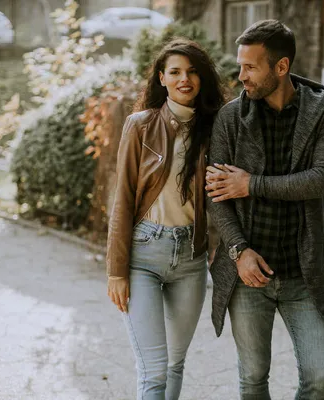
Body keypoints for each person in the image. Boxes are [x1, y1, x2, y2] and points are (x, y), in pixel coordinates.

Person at [205, 20, 324, 399]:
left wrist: (251, 184)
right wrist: (239, 252)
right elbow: (215, 196)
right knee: (252, 379)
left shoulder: (323, 110)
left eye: (250, 67)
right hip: (248, 275)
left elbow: (322, 180)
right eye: (240, 65)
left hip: (304, 272)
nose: (241, 75)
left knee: (318, 378)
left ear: (281, 68)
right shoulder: (230, 117)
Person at [106, 38, 225, 399]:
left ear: (202, 79)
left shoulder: (217, 127)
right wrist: (116, 269)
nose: (183, 79)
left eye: (191, 72)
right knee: (154, 371)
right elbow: (123, 198)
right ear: (162, 77)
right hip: (144, 254)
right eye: (174, 72)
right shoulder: (140, 125)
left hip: (190, 258)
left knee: (175, 363)